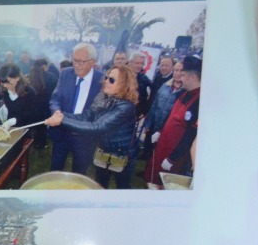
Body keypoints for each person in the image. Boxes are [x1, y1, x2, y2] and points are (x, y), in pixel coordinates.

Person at [46, 64, 139, 189]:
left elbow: (97, 127)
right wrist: (61, 115)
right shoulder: (103, 97)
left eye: (112, 80)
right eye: (106, 77)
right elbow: (87, 116)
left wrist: (61, 121)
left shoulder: (125, 107)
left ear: (124, 84)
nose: (106, 81)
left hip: (122, 154)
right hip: (103, 150)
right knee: (100, 184)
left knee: (122, 187)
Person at [146, 54, 201, 186]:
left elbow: (190, 135)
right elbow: (170, 114)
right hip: (164, 143)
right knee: (152, 176)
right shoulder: (184, 92)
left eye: (183, 75)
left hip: (175, 152)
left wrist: (172, 158)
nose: (180, 79)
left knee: (165, 183)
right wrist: (160, 130)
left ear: (192, 77)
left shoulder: (199, 101)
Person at [48, 43, 102, 173]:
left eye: (81, 61)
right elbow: (55, 98)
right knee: (56, 166)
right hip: (62, 130)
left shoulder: (101, 80)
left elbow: (96, 112)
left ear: (93, 62)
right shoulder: (66, 73)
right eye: (74, 60)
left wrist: (63, 117)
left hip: (84, 135)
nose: (77, 65)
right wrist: (56, 112)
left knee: (79, 170)